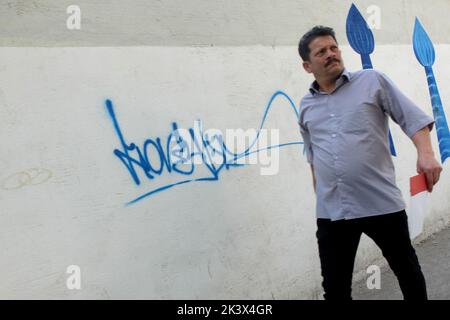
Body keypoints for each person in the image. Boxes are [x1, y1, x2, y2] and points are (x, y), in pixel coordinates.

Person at [297, 26, 443, 300]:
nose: (331, 54)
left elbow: (412, 119)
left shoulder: (371, 81)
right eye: (321, 52)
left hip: (380, 203)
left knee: (407, 271)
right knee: (335, 288)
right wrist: (320, 192)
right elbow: (313, 156)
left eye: (333, 48)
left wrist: (425, 153)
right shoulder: (306, 105)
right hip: (332, 212)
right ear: (308, 65)